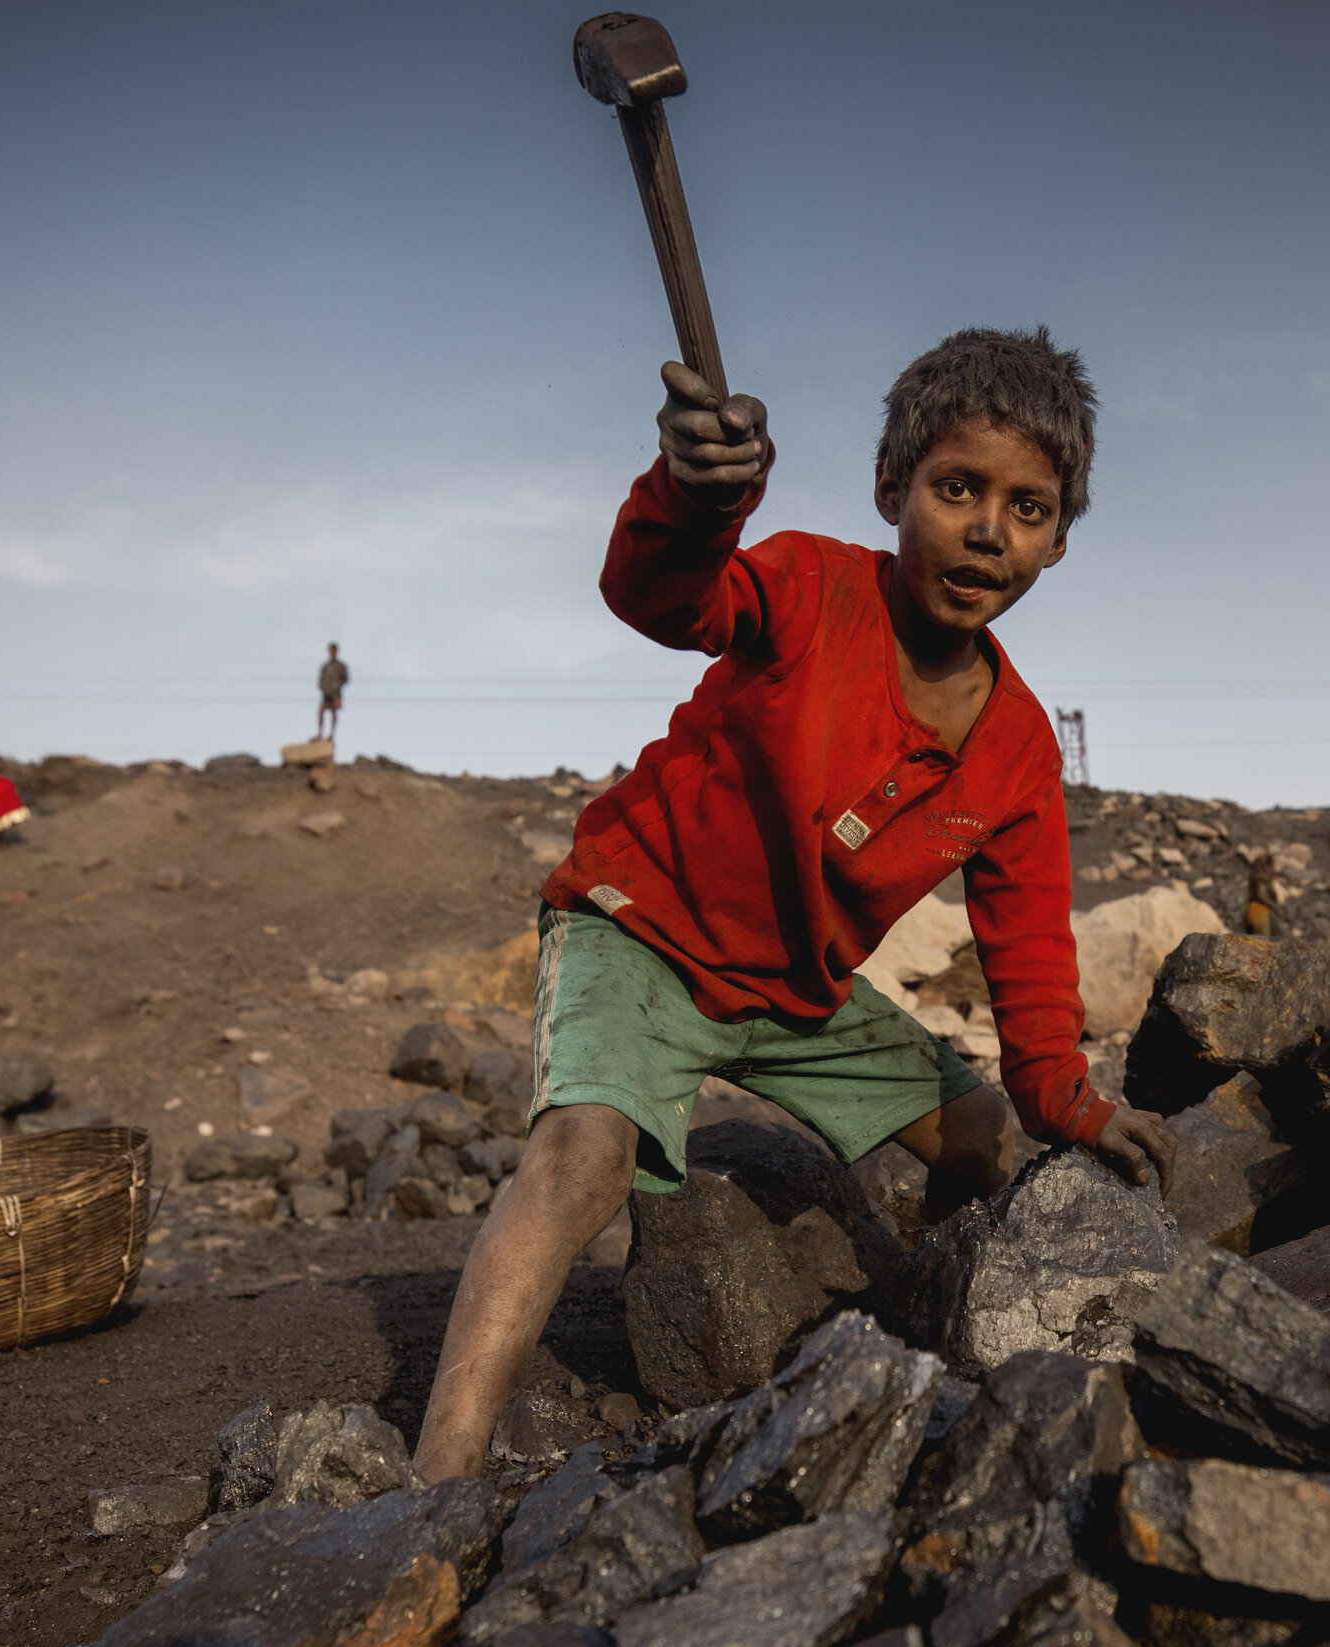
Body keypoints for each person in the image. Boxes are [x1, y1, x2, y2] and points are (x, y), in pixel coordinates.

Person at [411, 328, 1177, 1481]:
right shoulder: (810, 586)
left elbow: (1025, 944)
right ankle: (435, 1480)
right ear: (891, 489)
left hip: (792, 993)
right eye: (955, 487)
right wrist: (692, 495)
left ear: (1059, 540)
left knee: (977, 1131)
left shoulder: (1015, 750)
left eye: (1026, 507)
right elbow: (661, 593)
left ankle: (947, 1331)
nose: (985, 529)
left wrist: (1069, 1099)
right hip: (641, 928)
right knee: (581, 1159)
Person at [315, 643, 349, 741]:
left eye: (334, 650)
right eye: (331, 650)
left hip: (335, 694)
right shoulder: (326, 666)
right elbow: (321, 680)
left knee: (334, 714)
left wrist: (337, 685)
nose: (332, 652)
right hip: (326, 694)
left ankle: (331, 734)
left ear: (336, 651)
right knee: (321, 712)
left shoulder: (340, 666)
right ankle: (320, 734)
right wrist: (323, 687)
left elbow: (345, 678)